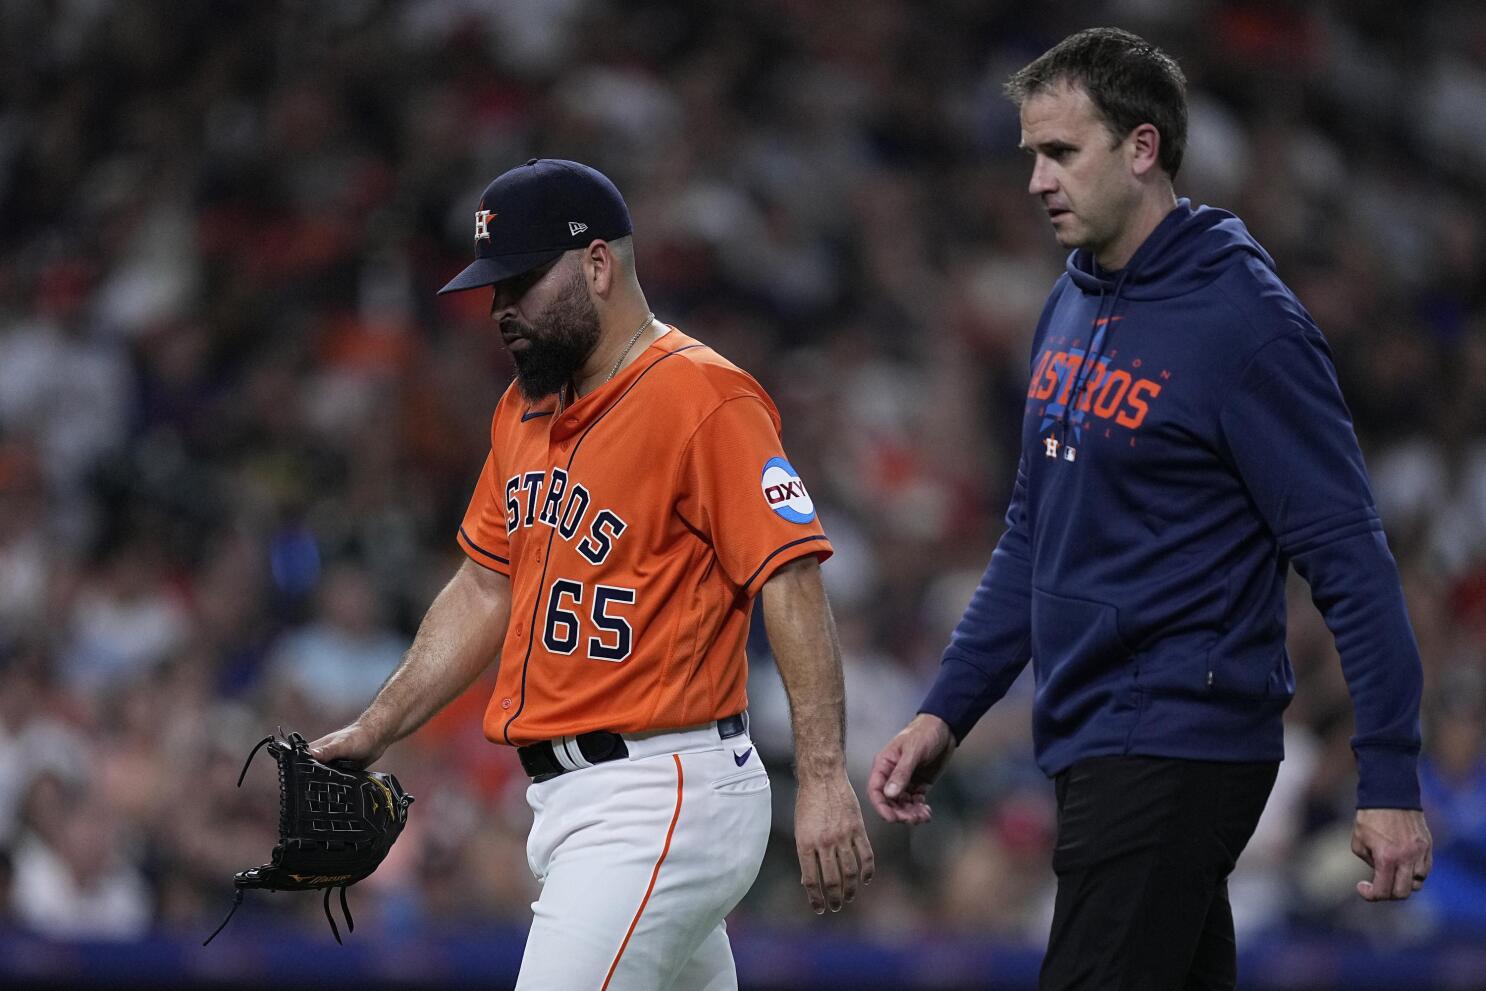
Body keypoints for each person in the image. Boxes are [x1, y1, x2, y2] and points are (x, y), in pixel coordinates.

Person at [867, 27, 1432, 991]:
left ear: (1141, 147)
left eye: (1061, 152)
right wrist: (947, 709)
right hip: (1097, 733)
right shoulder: (1071, 301)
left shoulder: (1246, 324)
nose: (1039, 180)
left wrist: (1388, 778)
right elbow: (1032, 535)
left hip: (1178, 732)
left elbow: (1349, 556)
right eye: (1031, 156)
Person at [311, 158, 873, 989]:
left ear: (599, 264)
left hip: (663, 791)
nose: (500, 309)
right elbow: (483, 585)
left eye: (520, 283)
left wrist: (824, 775)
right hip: (577, 802)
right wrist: (378, 724)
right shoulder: (524, 408)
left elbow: (789, 579)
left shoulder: (703, 396)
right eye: (493, 289)